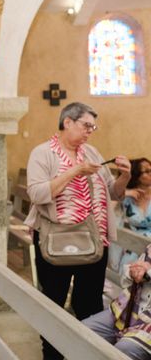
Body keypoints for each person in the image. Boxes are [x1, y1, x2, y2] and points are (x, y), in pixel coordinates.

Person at [26, 101, 131, 360]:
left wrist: (124, 177)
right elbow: (38, 193)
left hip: (95, 240)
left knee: (90, 304)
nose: (89, 132)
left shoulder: (91, 152)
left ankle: (85, 353)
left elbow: (112, 192)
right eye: (86, 126)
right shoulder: (42, 153)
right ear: (67, 122)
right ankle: (53, 355)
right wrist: (75, 171)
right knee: (53, 303)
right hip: (56, 240)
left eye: (92, 127)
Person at [82, 243, 151, 359]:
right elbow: (126, 281)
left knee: (124, 349)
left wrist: (148, 272)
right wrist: (133, 272)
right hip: (131, 307)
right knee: (84, 330)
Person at [113, 158, 151, 274]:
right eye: (147, 171)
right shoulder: (127, 198)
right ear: (136, 176)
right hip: (133, 246)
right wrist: (127, 193)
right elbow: (107, 208)